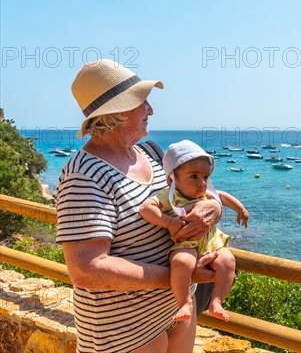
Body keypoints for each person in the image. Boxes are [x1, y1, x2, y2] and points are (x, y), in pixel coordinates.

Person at [55, 59, 221, 352]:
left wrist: (214, 208)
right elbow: (87, 270)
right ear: (117, 111)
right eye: (143, 101)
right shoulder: (83, 175)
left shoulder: (150, 152)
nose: (151, 110)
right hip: (124, 334)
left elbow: (202, 188)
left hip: (175, 314)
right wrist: (177, 278)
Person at [140, 140, 249, 323]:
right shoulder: (170, 196)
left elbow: (222, 196)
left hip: (212, 243)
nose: (202, 183)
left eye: (205, 177)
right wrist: (169, 222)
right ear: (172, 180)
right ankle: (184, 302)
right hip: (185, 243)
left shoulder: (205, 195)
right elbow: (146, 208)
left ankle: (217, 301)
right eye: (194, 176)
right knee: (182, 262)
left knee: (228, 261)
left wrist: (240, 209)